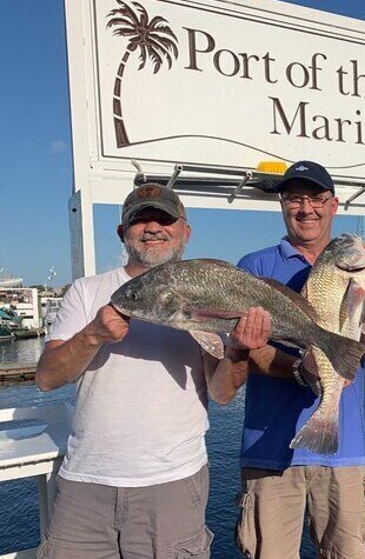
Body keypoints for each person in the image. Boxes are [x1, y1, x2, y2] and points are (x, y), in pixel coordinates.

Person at [34, 183, 240, 558]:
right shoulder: (86, 291)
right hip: (85, 484)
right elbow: (47, 378)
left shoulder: (208, 291)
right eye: (139, 220)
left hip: (173, 484)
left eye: (164, 218)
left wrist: (240, 348)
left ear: (185, 231)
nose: (152, 227)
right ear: (122, 233)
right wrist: (93, 333)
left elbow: (223, 393)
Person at [211, 160, 365, 558]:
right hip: (268, 449)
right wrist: (298, 368)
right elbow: (247, 347)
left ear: (333, 204)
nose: (306, 208)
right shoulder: (255, 266)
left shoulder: (361, 272)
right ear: (282, 205)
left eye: (316, 198)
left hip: (343, 450)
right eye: (295, 198)